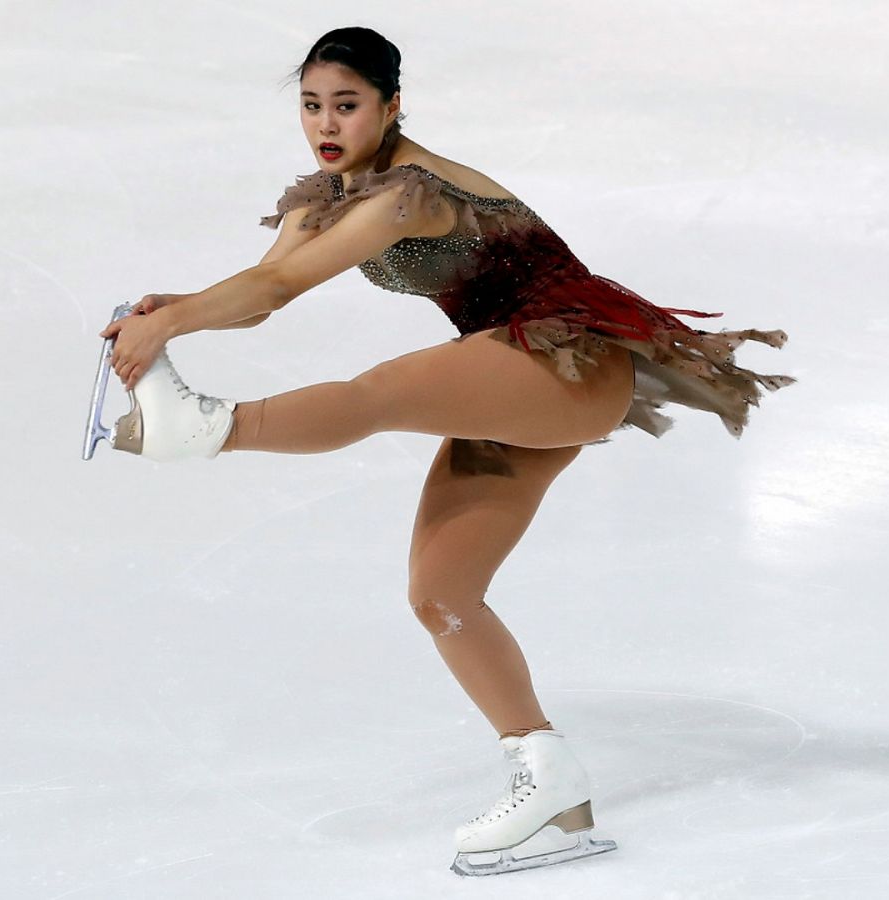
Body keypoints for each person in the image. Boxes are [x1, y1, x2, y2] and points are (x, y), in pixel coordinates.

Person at [97, 26, 796, 876]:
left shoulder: (409, 193)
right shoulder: (325, 194)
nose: (327, 122)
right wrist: (182, 305)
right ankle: (552, 787)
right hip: (513, 378)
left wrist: (171, 326)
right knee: (442, 594)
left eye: (347, 105)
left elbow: (280, 285)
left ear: (392, 107)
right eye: (313, 105)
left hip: (566, 361)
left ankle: (207, 428)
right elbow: (260, 297)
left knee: (382, 392)